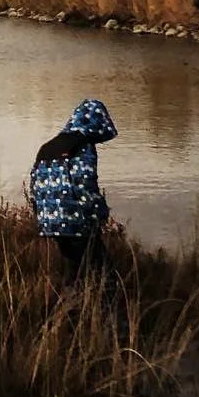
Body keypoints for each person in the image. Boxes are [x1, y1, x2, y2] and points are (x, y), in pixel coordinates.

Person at [29, 98, 118, 278]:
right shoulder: (83, 146)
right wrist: (99, 214)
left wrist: (42, 217)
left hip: (50, 223)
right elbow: (84, 184)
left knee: (76, 269)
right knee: (104, 274)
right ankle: (103, 303)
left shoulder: (47, 147)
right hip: (75, 222)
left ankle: (73, 302)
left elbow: (35, 186)